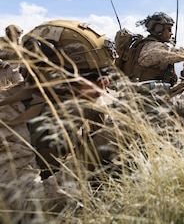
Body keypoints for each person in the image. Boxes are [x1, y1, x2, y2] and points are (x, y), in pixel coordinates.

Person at [0, 19, 118, 222]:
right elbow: (23, 209)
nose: (104, 84)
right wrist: (94, 153)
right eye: (93, 77)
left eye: (106, 74)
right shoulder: (8, 116)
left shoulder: (77, 98)